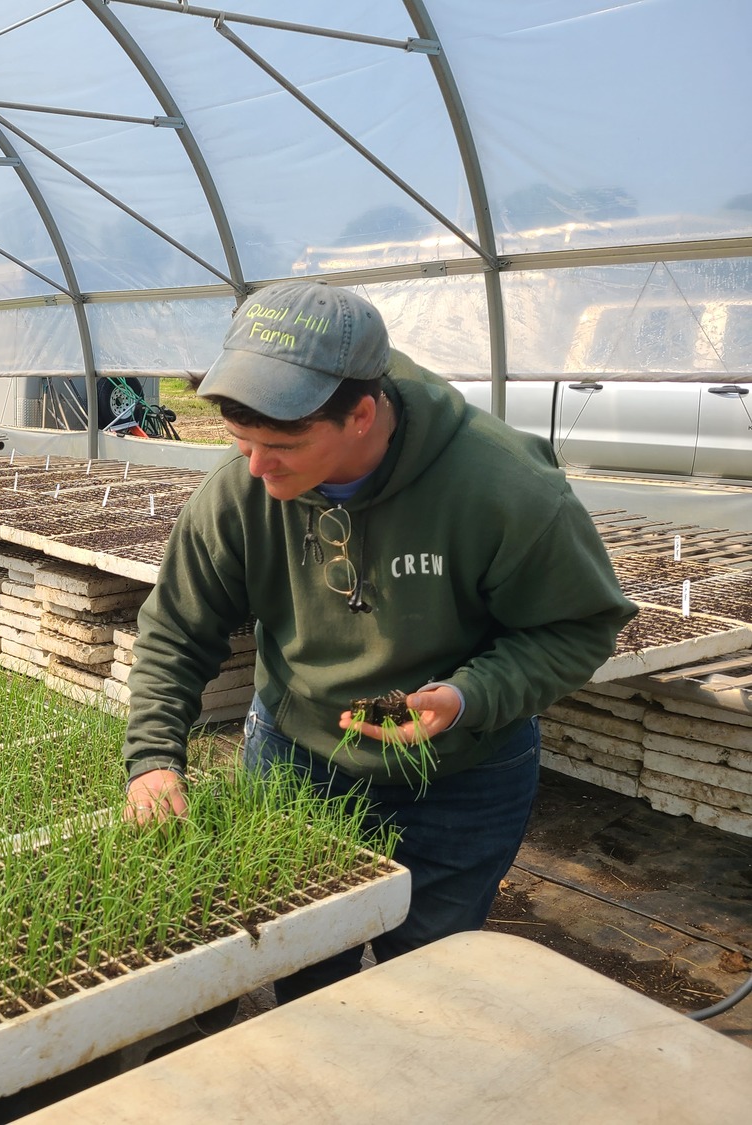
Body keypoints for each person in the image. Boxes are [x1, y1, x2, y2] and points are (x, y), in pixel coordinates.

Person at [122, 279, 636, 1003]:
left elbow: (577, 624)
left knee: (426, 984)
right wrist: (151, 757)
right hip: (299, 758)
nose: (258, 471)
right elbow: (178, 625)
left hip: (462, 774)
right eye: (242, 444)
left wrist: (468, 697)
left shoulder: (503, 486)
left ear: (361, 414)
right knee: (303, 973)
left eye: (281, 445)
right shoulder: (239, 490)